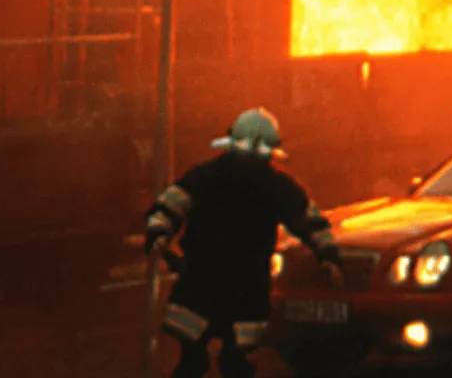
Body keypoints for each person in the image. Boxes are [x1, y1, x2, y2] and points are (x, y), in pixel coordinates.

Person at [144, 108, 342, 378]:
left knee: (212, 363)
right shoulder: (272, 185)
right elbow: (310, 222)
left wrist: (328, 255)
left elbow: (168, 207)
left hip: (215, 283)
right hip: (226, 285)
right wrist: (328, 255)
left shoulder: (208, 177)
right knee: (211, 363)